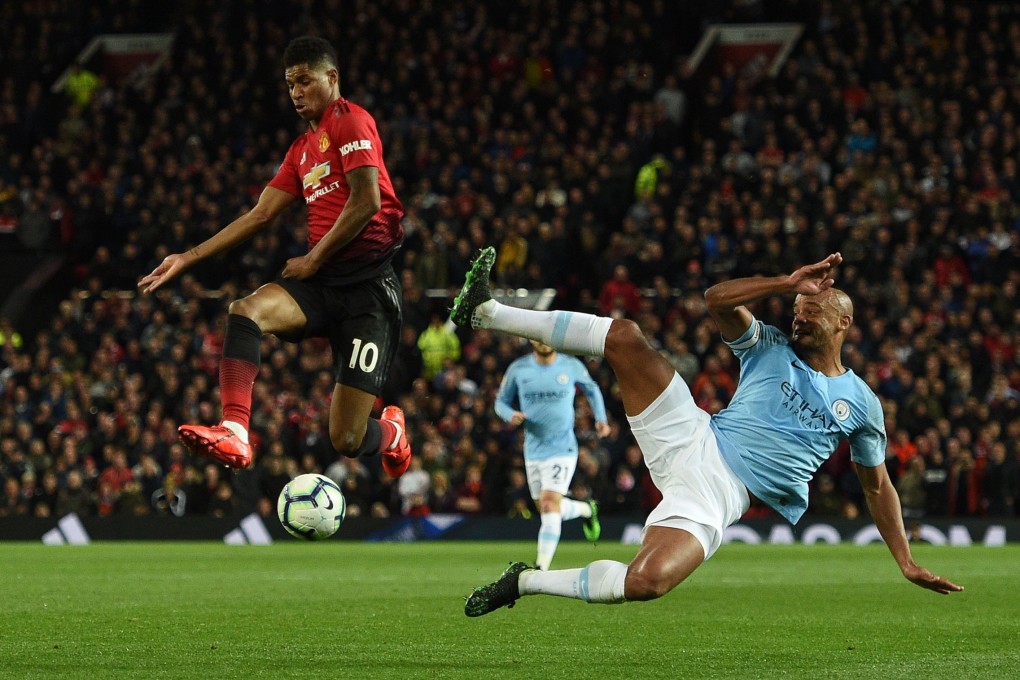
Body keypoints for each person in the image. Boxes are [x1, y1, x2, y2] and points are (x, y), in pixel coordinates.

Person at [450, 247, 962, 617]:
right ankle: (486, 312)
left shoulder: (863, 405)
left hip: (718, 493)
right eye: (797, 311)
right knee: (624, 336)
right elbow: (716, 298)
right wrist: (786, 283)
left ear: (844, 322)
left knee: (647, 582)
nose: (800, 320)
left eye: (812, 313)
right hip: (693, 433)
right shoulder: (768, 346)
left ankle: (525, 581)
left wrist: (905, 561)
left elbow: (877, 487)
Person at [138, 36, 411, 478]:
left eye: (304, 81)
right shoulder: (301, 150)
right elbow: (260, 214)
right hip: (323, 285)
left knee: (347, 439)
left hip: (369, 293)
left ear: (332, 77)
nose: (296, 92)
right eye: (289, 85)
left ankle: (393, 433)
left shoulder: (351, 120)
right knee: (245, 311)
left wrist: (314, 258)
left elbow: (367, 201)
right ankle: (235, 431)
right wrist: (188, 257)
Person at [496, 338, 611, 570]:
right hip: (533, 450)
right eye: (537, 337)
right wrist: (510, 415)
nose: (543, 341)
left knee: (549, 504)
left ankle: (541, 568)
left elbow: (592, 389)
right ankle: (586, 509)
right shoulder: (519, 368)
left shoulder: (570, 365)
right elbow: (500, 402)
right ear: (531, 339)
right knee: (547, 508)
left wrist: (601, 419)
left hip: (562, 448)